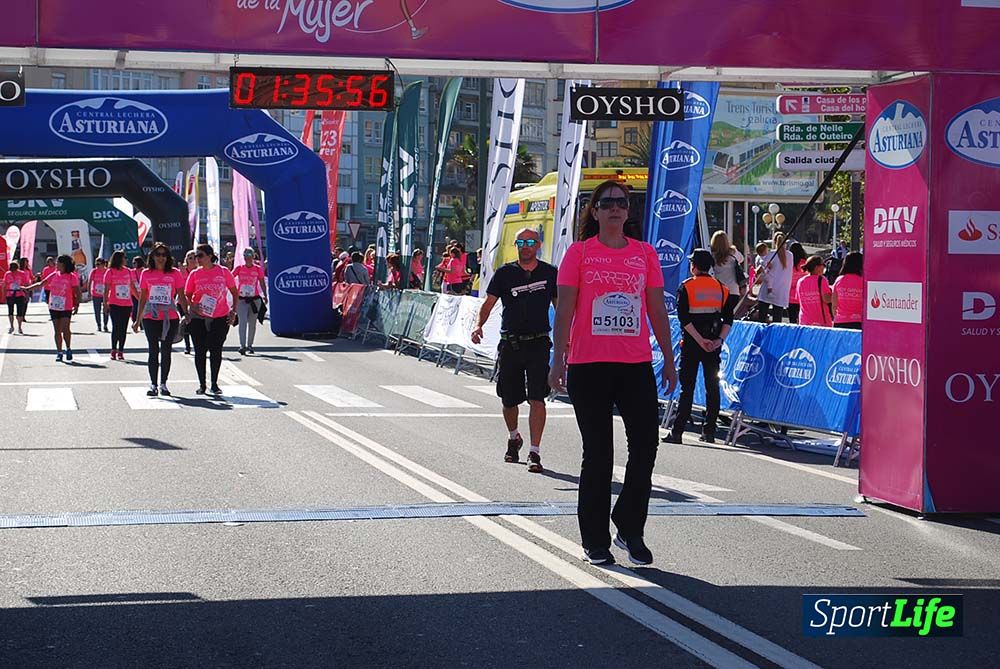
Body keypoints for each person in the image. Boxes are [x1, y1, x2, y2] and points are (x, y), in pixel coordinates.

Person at [549, 180, 677, 566]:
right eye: (607, 204)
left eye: (622, 203)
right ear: (595, 211)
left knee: (646, 448)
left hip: (634, 363)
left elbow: (656, 308)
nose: (615, 209)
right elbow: (566, 309)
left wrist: (669, 358)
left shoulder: (645, 253)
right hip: (589, 365)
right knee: (599, 454)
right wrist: (558, 359)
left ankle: (629, 528)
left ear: (628, 211)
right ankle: (595, 539)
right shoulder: (580, 253)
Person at [472, 228, 558, 474]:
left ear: (538, 245)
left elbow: (560, 307)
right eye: (521, 242)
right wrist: (478, 325)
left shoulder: (550, 273)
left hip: (539, 342)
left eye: (530, 242)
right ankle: (514, 437)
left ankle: (535, 451)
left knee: (537, 398)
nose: (525, 246)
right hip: (511, 343)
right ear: (516, 245)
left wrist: (568, 338)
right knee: (509, 399)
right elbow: (488, 304)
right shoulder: (505, 273)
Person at [664, 249, 735, 445]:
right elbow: (729, 319)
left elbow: (683, 318)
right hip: (713, 344)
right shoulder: (722, 289)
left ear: (693, 266)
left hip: (692, 344)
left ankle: (677, 432)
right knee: (712, 387)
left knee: (687, 388)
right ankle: (709, 432)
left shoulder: (686, 286)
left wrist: (698, 339)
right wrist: (718, 340)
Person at [132, 243, 187, 396]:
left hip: (169, 316)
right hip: (151, 316)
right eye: (158, 254)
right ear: (153, 256)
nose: (161, 258)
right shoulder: (146, 273)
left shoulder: (174, 273)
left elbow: (181, 295)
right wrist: (137, 320)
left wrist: (186, 313)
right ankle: (153, 384)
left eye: (164, 255)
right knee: (153, 349)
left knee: (166, 350)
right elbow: (142, 298)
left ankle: (163, 383)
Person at [185, 244, 238, 395]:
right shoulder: (195, 274)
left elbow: (234, 292)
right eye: (196, 256)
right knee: (200, 351)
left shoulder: (223, 271)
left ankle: (214, 383)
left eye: (200, 255)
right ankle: (202, 384)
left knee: (216, 350)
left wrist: (233, 311)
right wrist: (192, 307)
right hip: (199, 317)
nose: (197, 259)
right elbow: (187, 294)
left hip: (220, 316)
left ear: (210, 256)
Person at [25, 255, 81, 362]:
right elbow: (41, 284)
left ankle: (68, 348)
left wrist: (77, 304)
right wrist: (27, 288)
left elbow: (77, 291)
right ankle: (59, 352)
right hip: (54, 306)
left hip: (66, 306)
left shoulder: (71, 277)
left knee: (65, 329)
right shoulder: (54, 275)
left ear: (64, 265)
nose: (56, 265)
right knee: (57, 330)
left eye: (58, 263)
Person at [232, 247, 268, 355]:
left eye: (249, 256)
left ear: (253, 256)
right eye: (245, 256)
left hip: (254, 299)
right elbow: (230, 277)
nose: (247, 258)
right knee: (242, 322)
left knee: (252, 323)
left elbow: (262, 282)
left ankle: (250, 345)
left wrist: (265, 296)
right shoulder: (239, 268)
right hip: (242, 299)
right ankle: (242, 345)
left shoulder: (257, 269)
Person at [754, 233, 793, 323]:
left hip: (766, 290)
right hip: (781, 290)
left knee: (762, 318)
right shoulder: (790, 255)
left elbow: (760, 271)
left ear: (774, 242)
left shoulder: (769, 254)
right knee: (777, 319)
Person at [103, 251, 134, 360]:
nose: (126, 259)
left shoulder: (129, 272)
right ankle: (113, 349)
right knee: (116, 327)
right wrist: (105, 304)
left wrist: (141, 298)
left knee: (123, 328)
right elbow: (106, 290)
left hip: (127, 304)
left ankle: (121, 350)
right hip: (114, 303)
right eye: (124, 257)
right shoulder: (110, 272)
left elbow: (132, 287)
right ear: (119, 259)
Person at [796, 255, 833, 327]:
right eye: (823, 265)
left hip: (805, 321)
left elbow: (799, 300)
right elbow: (826, 299)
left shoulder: (800, 281)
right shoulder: (822, 280)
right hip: (821, 321)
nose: (824, 267)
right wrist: (835, 294)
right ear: (817, 267)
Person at [709, 231, 747, 299]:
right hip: (733, 290)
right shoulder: (733, 253)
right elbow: (741, 259)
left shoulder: (712, 256)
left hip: (718, 290)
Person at [832, 251, 863, 330]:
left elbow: (834, 304)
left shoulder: (839, 280)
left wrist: (836, 317)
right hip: (858, 322)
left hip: (840, 321)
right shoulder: (863, 281)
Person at [179, 250, 198, 354]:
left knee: (194, 324)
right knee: (185, 322)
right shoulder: (182, 270)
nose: (193, 259)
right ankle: (187, 346)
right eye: (190, 257)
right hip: (182, 300)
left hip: (195, 300)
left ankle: (197, 344)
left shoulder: (200, 270)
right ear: (186, 259)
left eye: (195, 257)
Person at [4, 260, 28, 335]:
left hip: (19, 294)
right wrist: (4, 295)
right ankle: (12, 326)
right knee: (10, 311)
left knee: (19, 312)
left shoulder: (22, 273)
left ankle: (19, 327)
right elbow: (4, 285)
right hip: (10, 294)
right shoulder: (7, 274)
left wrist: (26, 294)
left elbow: (25, 284)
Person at [786, 242, 808, 324]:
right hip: (802, 294)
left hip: (789, 294)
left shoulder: (788, 262)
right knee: (801, 317)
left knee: (792, 319)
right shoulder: (805, 262)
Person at [89, 257, 109, 333]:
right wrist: (89, 292)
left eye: (98, 264)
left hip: (105, 294)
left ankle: (105, 324)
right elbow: (90, 281)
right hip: (96, 294)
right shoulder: (94, 271)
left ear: (103, 264)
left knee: (106, 310)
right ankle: (99, 325)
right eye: (96, 264)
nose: (97, 266)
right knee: (97, 310)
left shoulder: (107, 271)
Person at [130, 255, 146, 323]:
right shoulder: (131, 272)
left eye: (134, 263)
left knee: (144, 308)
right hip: (134, 294)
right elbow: (131, 284)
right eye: (133, 263)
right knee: (135, 308)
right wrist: (137, 296)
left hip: (144, 293)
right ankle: (135, 321)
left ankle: (142, 322)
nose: (133, 264)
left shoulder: (144, 271)